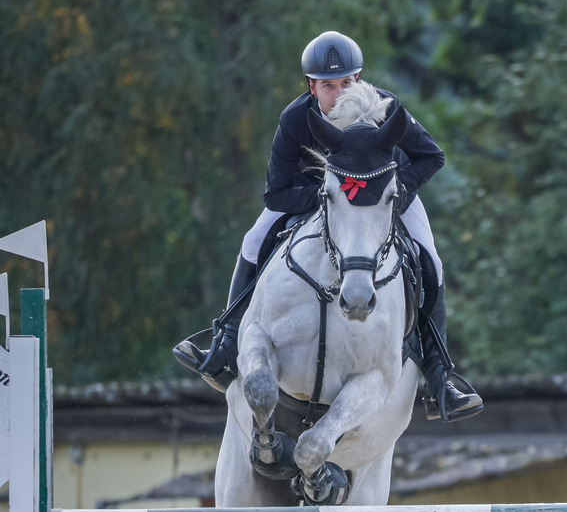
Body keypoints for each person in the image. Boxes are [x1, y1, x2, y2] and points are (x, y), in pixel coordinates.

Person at [173, 30, 483, 422]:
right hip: (317, 197)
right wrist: (328, 199)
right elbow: (275, 194)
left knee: (430, 259)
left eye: (346, 83)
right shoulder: (295, 119)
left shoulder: (385, 108)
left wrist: (393, 193)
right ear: (311, 87)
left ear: (360, 78)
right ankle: (226, 342)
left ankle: (439, 378)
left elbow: (432, 156)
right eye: (327, 86)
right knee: (253, 241)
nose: (338, 95)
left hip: (385, 197)